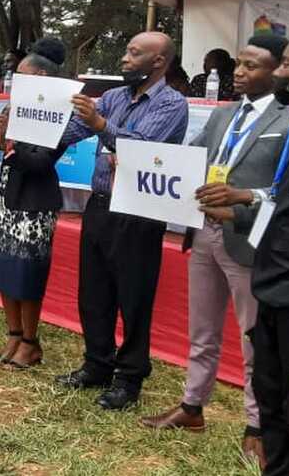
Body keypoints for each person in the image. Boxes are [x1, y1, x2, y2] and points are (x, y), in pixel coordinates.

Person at [140, 35, 289, 468]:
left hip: (250, 241)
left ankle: (257, 426)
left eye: (252, 66)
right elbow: (191, 160)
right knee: (202, 329)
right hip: (204, 233)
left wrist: (243, 201)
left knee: (253, 340)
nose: (239, 72)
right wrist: (143, 162)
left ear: (279, 71)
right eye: (238, 64)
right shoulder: (224, 114)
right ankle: (192, 407)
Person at [202, 29, 289, 476]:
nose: (281, 74)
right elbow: (285, 201)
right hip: (271, 282)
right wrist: (242, 204)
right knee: (271, 400)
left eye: (288, 66)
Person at [54, 31, 188, 410]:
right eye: (127, 51)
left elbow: (140, 147)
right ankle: (97, 364)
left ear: (158, 62)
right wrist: (41, 120)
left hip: (139, 211)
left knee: (134, 295)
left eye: (134, 53)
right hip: (100, 205)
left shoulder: (172, 104)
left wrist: (100, 124)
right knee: (93, 291)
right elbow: (74, 131)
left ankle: (129, 377)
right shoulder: (112, 97)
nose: (125, 59)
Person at [0, 39, 70, 368]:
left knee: (27, 274)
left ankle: (31, 342)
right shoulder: (12, 109)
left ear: (43, 78)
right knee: (5, 269)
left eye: (23, 76)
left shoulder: (59, 115)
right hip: (5, 199)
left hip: (34, 205)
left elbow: (41, 163)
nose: (15, 82)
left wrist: (10, 144)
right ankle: (14, 334)